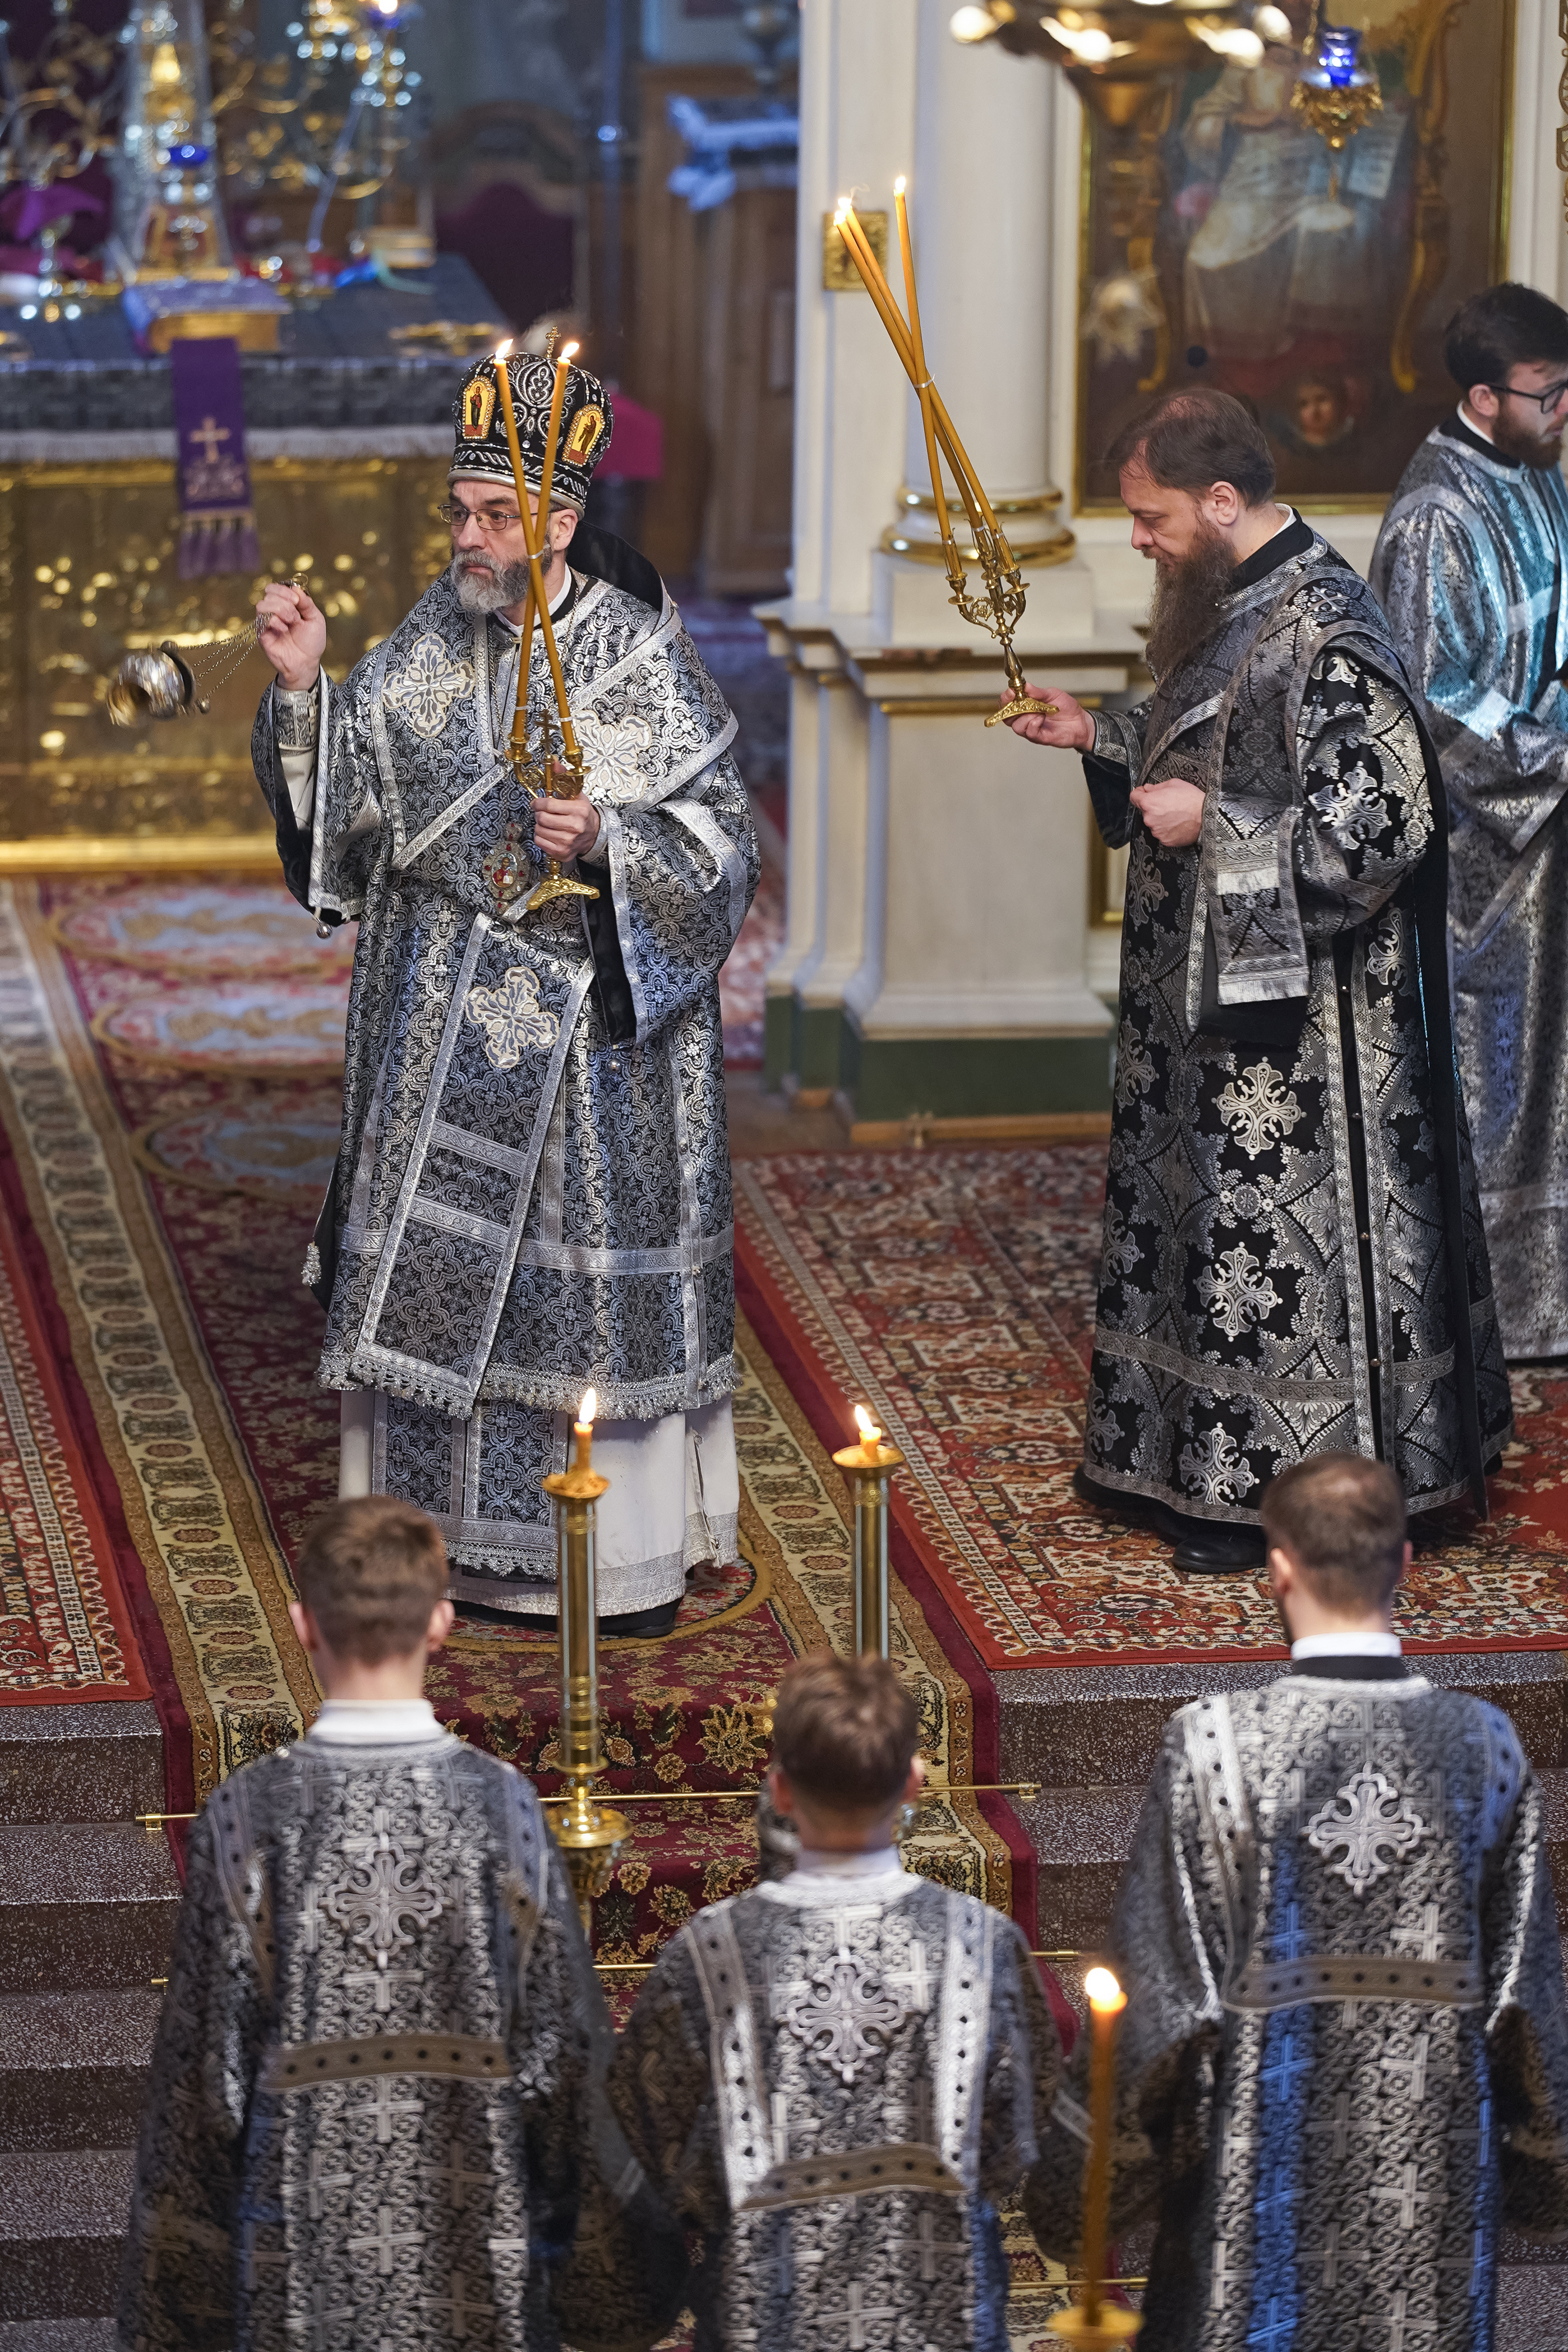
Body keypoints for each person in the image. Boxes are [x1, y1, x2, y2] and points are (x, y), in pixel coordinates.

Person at [250, 349, 759, 1636]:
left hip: (585, 1058)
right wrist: (309, 685)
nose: (467, 539)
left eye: (493, 516)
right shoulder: (439, 627)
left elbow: (720, 846)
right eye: (459, 511)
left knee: (566, 1289)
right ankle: (440, 1546)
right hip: (438, 1029)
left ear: (560, 521)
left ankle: (610, 1552)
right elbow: (358, 809)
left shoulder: (634, 656)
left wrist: (606, 842)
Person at [1007, 387, 1510, 1572]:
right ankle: (1188, 1460)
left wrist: (1216, 825)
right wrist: (1104, 738)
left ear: (1221, 501)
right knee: (1199, 1232)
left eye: (1150, 516)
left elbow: (1383, 825)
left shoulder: (1328, 623)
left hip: (1308, 1039)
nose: (1136, 538)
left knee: (1265, 1253)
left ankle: (1277, 1497)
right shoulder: (1229, 598)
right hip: (1216, 1008)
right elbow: (1221, 734)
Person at [1024, 1452, 1568, 2351]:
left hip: (1253, 2184)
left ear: (1275, 1568)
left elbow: (1160, 1999)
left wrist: (1081, 2189)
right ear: (1402, 1564)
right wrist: (1540, 2167)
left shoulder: (1213, 1747)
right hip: (1425, 2184)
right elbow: (1525, 1998)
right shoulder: (1484, 1747)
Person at [118, 1495, 681, 2351]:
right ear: (443, 1624)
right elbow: (560, 2062)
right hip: (477, 2275)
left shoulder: (248, 1818)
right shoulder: (503, 1812)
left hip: (299, 2279)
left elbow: (205, 2082)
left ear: (305, 1626)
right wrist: (609, 2280)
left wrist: (178, 2313)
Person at [600, 1652, 1063, 2351]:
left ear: (779, 1791)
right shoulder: (982, 1942)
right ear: (914, 1782)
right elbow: (1013, 2141)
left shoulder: (710, 1950)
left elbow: (652, 2146)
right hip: (943, 2319)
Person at [1371, 283, 1568, 1361]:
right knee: (1492, 1076)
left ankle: (1551, 1302)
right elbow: (1434, 697)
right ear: (1485, 399)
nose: (1565, 412)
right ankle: (1485, 1315)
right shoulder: (1435, 515)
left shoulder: (1536, 482)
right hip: (1484, 858)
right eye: (1549, 395)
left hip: (1550, 838)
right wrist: (1554, 755)